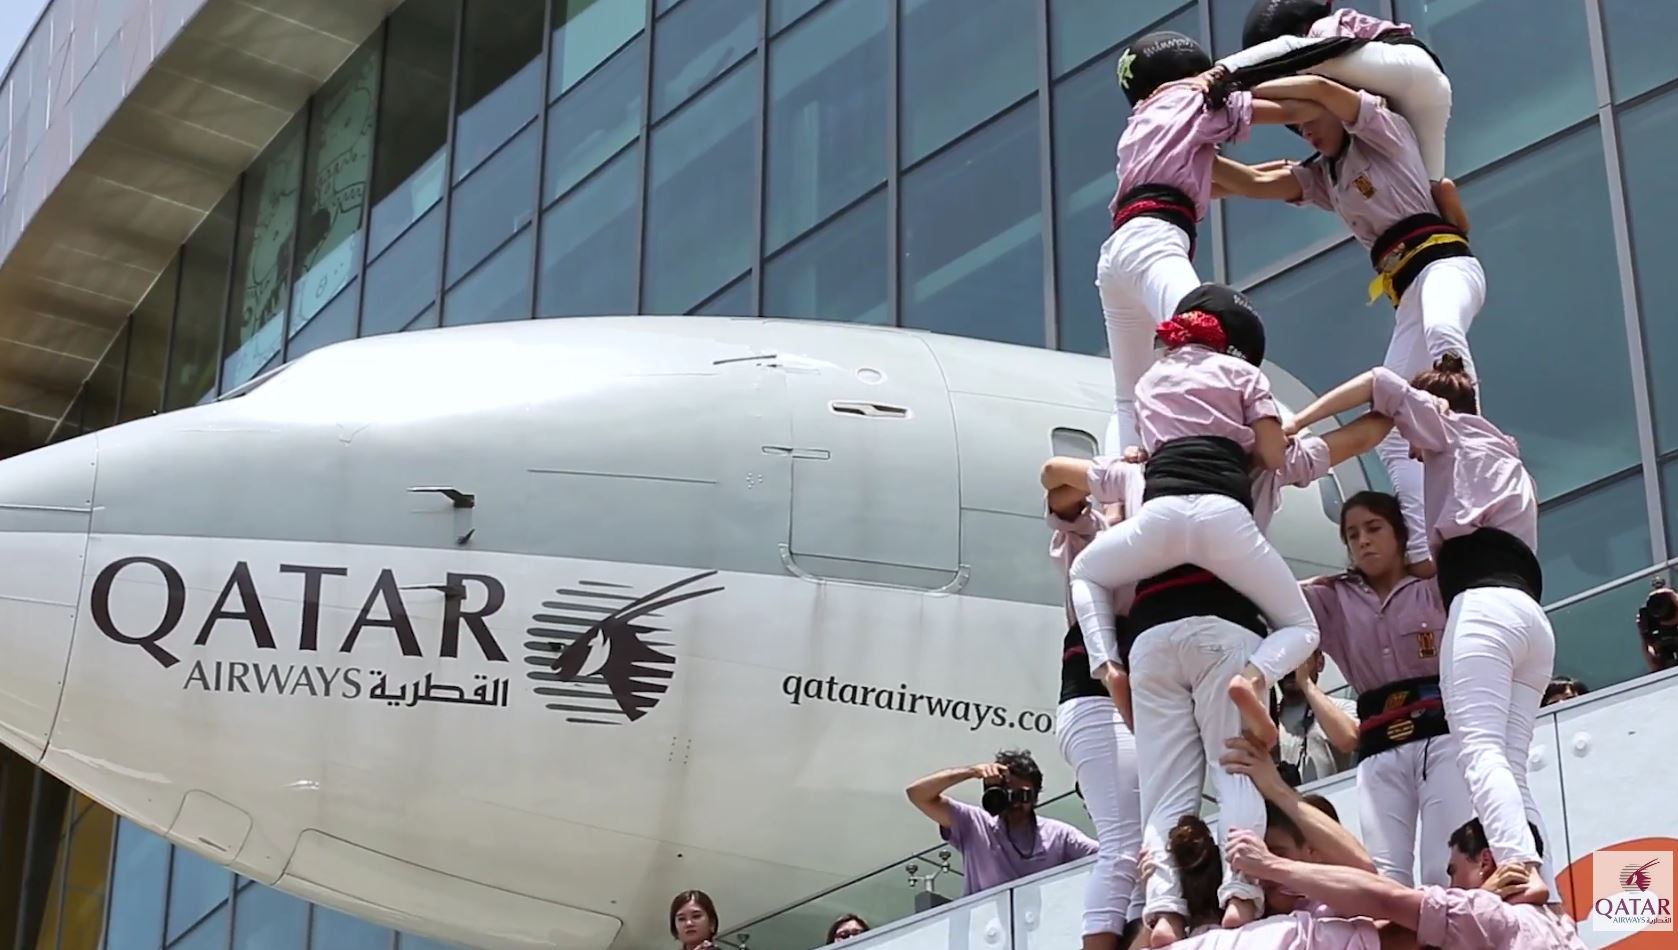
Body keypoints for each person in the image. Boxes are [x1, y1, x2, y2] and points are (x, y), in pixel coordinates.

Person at [1047, 410, 1394, 947]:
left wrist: (1107, 664)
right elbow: (1361, 436)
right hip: (1225, 626)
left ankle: (1164, 912)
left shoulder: (1142, 475)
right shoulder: (1252, 464)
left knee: (1163, 796)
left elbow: (1054, 474)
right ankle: (1240, 895)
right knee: (1237, 770)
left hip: (1151, 638)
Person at [1283, 354, 1555, 905]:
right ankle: (1537, 879)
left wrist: (1297, 424)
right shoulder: (1509, 460)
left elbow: (1376, 384)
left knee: (1480, 751)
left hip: (1482, 609)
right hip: (1530, 616)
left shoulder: (1446, 429)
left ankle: (1520, 865)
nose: (1405, 444)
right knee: (1509, 759)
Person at [1213, 74, 1480, 573]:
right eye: (1298, 132)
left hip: (1446, 266)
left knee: (1445, 336)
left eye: (1310, 122)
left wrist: (1237, 90)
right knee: (1397, 431)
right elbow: (1250, 183)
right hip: (1407, 297)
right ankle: (1426, 554)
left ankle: (1476, 452)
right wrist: (1186, 145)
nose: (1307, 135)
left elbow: (1318, 82)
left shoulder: (1381, 132)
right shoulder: (1325, 178)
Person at [1069, 284, 1321, 752]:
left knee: (1086, 573)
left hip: (1160, 518)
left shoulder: (1149, 381)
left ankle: (1106, 667)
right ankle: (1253, 678)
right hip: (1222, 518)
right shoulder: (1243, 375)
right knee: (1301, 628)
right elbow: (1269, 453)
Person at [1099, 30, 1324, 454]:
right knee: (1210, 338)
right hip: (1154, 240)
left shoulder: (1146, 124)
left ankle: (1121, 486)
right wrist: (1340, 104)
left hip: (1118, 255)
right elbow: (1291, 109)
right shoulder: (1192, 97)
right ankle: (1287, 437)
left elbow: (1244, 182)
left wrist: (1287, 176)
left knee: (1129, 397)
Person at [1300, 490, 1474, 888]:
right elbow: (1272, 592)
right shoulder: (1332, 597)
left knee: (1441, 870)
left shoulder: (1433, 589)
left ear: (1398, 533)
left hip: (1443, 739)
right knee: (1385, 877)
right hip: (1377, 748)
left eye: (1374, 528)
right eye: (1352, 534)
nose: (1363, 540)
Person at [1205, 0, 1460, 200]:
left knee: (1311, 60)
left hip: (1408, 67)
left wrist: (1224, 77)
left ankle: (1224, 73)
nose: (1306, 133)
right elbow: (1255, 181)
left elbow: (1303, 57)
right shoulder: (1353, 144)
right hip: (1425, 98)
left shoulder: (1323, 28)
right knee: (1427, 194)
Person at [1045, 465, 1145, 949]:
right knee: (1124, 845)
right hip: (1095, 697)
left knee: (1152, 842)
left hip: (1143, 705)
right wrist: (1115, 471)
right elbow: (1055, 486)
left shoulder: (1167, 539)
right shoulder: (1094, 534)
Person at [1212, 819, 1586, 949]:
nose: (1450, 882)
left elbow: (1386, 899)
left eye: (1454, 871)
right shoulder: (1562, 925)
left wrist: (1271, 865)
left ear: (1485, 861)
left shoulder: (1487, 915)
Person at [905, 750, 1097, 897]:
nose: (1015, 802)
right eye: (1008, 794)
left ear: (1036, 797)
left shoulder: (1059, 835)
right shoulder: (974, 824)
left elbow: (1105, 857)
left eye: (1023, 795)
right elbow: (917, 794)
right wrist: (973, 772)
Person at [1270, 650, 1359, 787]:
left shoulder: (1342, 708)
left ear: (1319, 663)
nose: (1290, 666)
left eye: (1299, 658)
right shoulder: (1267, 722)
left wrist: (1305, 682)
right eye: (1283, 660)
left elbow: (1351, 739)